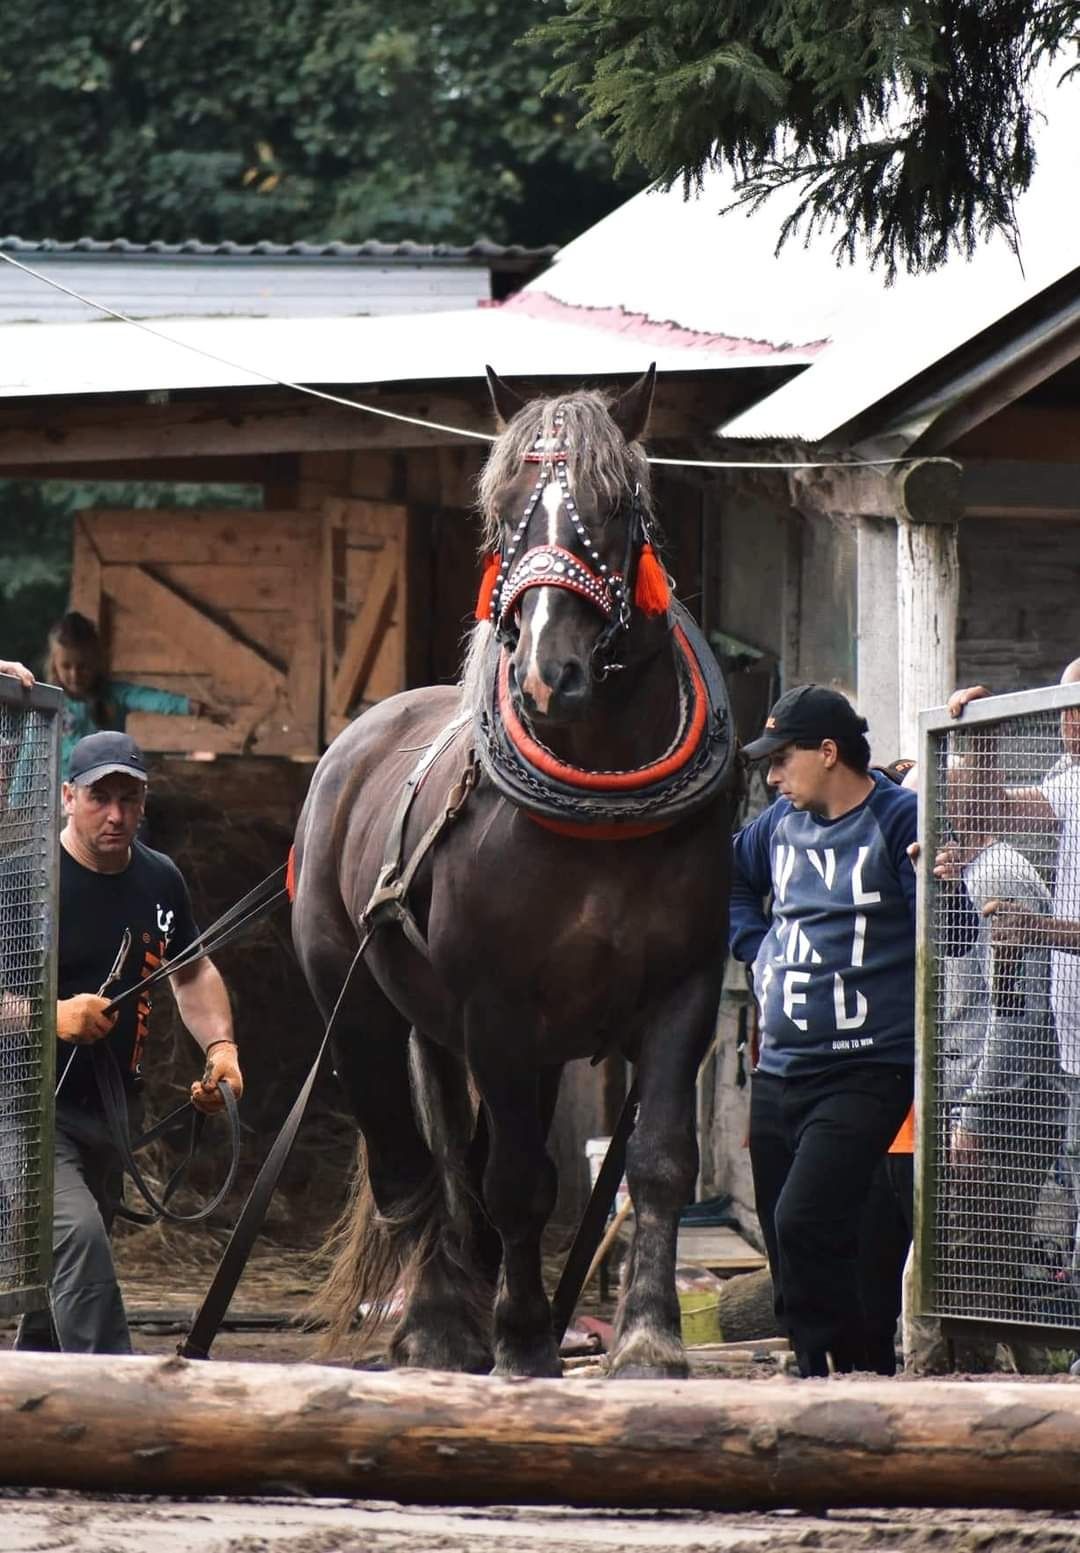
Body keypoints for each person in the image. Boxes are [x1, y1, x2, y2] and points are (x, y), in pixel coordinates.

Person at [13, 731, 243, 1355]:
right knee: (79, 1242)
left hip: (110, 1113)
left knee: (57, 1286)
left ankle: (42, 1420)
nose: (116, 815)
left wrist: (221, 1048)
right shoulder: (25, 878)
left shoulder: (159, 879)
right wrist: (48, 1015)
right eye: (99, 798)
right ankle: (127, 1402)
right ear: (67, 797)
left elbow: (191, 971)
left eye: (130, 799)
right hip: (24, 1111)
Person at [730, 684, 917, 1378]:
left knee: (803, 1221)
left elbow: (950, 932)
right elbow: (733, 879)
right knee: (792, 1252)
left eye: (782, 759)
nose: (774, 777)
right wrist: (755, 944)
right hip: (780, 1070)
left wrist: (943, 878)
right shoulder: (777, 825)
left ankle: (858, 1374)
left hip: (867, 1066)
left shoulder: (900, 820)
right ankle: (822, 1380)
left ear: (828, 752)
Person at [45, 611, 222, 774]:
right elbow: (31, 752)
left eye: (82, 666)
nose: (74, 674)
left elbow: (150, 698)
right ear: (54, 664)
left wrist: (186, 706)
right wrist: (17, 796)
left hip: (106, 791)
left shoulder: (114, 694)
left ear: (96, 661)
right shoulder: (48, 703)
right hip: (62, 796)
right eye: (66, 666)